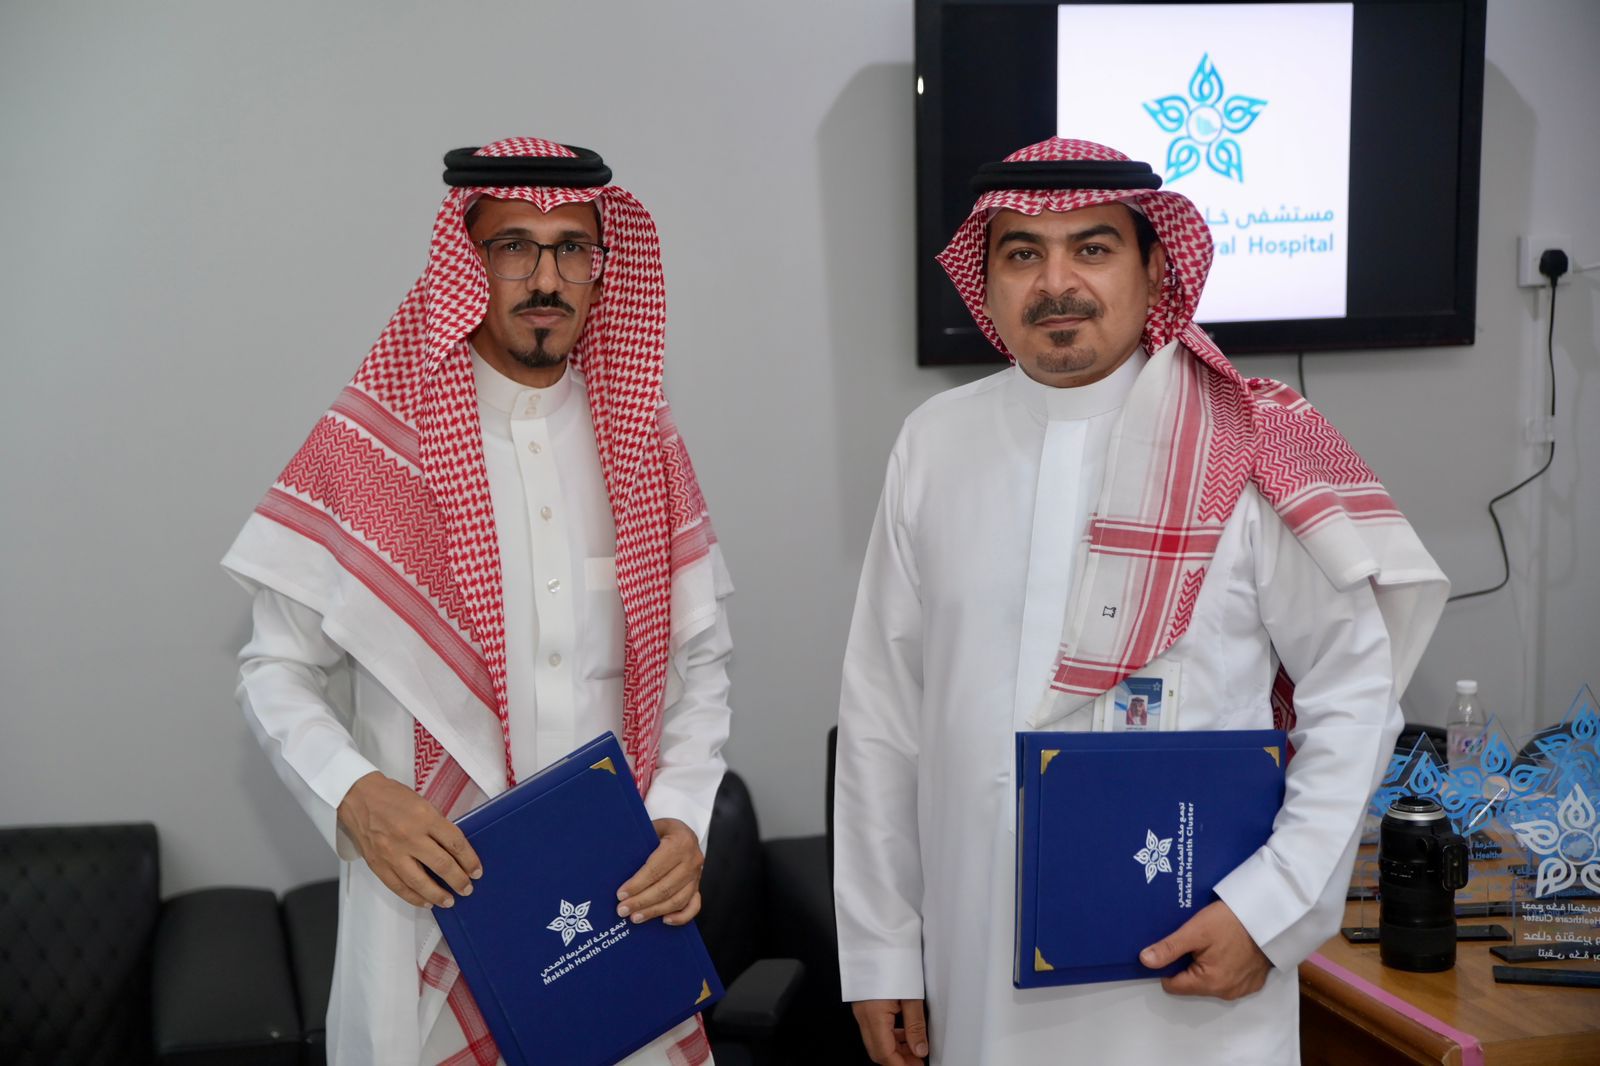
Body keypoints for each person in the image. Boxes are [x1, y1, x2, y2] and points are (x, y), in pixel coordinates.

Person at [832, 138, 1448, 1065]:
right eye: (1022, 253)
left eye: (1093, 248)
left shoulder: (1246, 439)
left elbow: (1354, 689)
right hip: (980, 960)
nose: (1057, 283)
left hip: (1198, 980)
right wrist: (881, 950)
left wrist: (1267, 911)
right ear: (986, 281)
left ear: (1155, 267)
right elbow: (884, 715)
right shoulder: (934, 443)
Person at [223, 139, 732, 1066]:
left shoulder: (645, 450)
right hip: (430, 922)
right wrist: (354, 794)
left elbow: (698, 669)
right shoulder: (376, 454)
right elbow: (273, 670)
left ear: (602, 266)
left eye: (572, 249)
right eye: (514, 248)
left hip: (615, 911)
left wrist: (686, 816)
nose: (546, 278)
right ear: (466, 261)